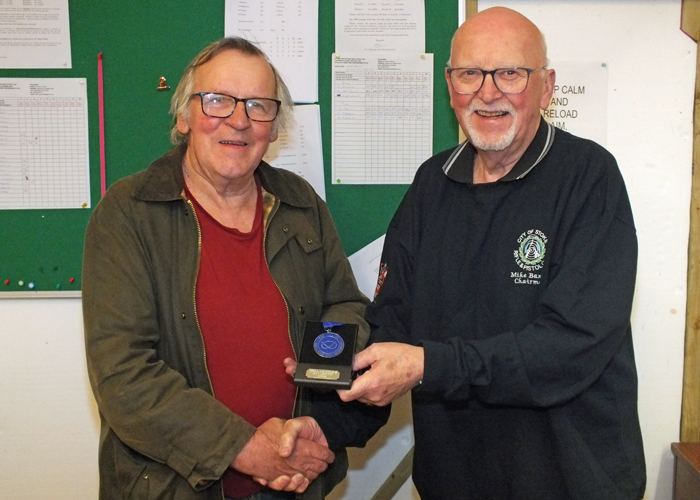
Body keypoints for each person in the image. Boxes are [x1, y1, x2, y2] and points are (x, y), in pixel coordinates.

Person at [337, 7, 646, 500]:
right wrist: (323, 427)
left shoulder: (590, 178)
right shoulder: (429, 185)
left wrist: (428, 365)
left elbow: (570, 347)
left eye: (509, 73)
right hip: (452, 481)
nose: (487, 91)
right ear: (449, 85)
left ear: (546, 87)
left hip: (569, 481)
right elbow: (391, 321)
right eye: (469, 74)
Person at [83, 37, 388, 500]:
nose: (239, 120)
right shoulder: (128, 212)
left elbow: (342, 305)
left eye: (259, 105)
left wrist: (314, 404)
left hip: (293, 482)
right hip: (174, 487)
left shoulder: (302, 204)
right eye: (217, 101)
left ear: (274, 126)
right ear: (184, 116)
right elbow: (124, 375)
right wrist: (245, 449)